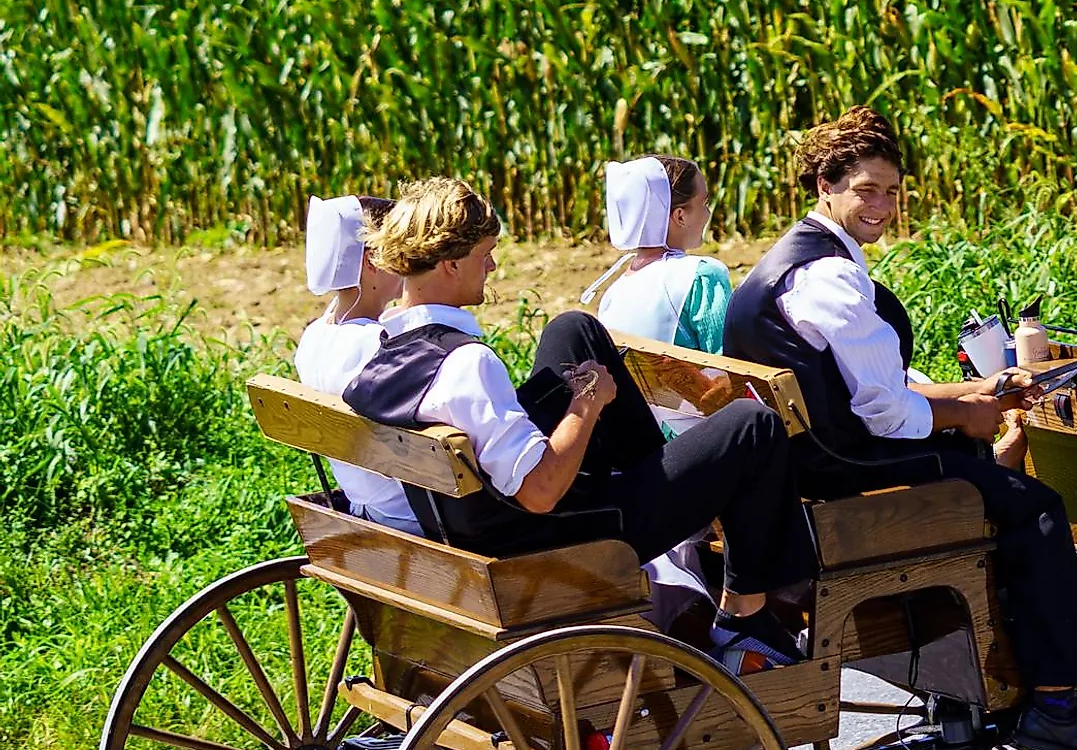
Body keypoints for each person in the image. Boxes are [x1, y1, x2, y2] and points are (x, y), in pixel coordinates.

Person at [723, 108, 1077, 750]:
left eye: (891, 192)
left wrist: (971, 390)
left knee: (977, 458)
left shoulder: (791, 260)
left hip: (815, 453)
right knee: (1037, 509)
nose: (882, 205)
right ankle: (1058, 698)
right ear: (827, 186)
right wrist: (970, 414)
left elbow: (876, 386)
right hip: (844, 465)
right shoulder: (831, 277)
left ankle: (1006, 640)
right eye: (865, 190)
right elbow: (886, 414)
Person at [343, 177, 810, 671]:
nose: (493, 266)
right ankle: (743, 619)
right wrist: (585, 405)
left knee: (575, 329)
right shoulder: (467, 364)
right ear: (450, 263)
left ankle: (675, 489)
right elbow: (541, 491)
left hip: (478, 520)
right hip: (550, 536)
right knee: (752, 423)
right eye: (485, 254)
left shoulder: (384, 353)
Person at [293, 193, 420, 536]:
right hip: (411, 513)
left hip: (366, 503)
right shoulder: (374, 344)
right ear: (372, 261)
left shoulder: (314, 337)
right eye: (400, 250)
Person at [586, 155, 734, 365]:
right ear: (680, 216)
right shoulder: (701, 275)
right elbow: (730, 365)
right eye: (704, 202)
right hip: (693, 397)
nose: (708, 213)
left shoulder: (613, 294)